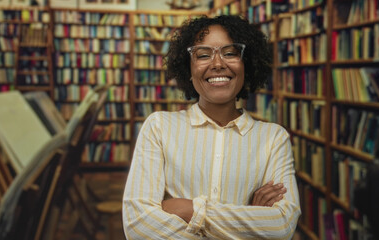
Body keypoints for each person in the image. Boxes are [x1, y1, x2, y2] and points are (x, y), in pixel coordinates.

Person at [123, 15, 301, 239]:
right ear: (189, 68)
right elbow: (138, 226)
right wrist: (250, 220)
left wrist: (191, 211)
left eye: (230, 53)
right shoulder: (159, 127)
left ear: (247, 64)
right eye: (204, 55)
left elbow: (281, 226)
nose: (218, 64)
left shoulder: (274, 138)